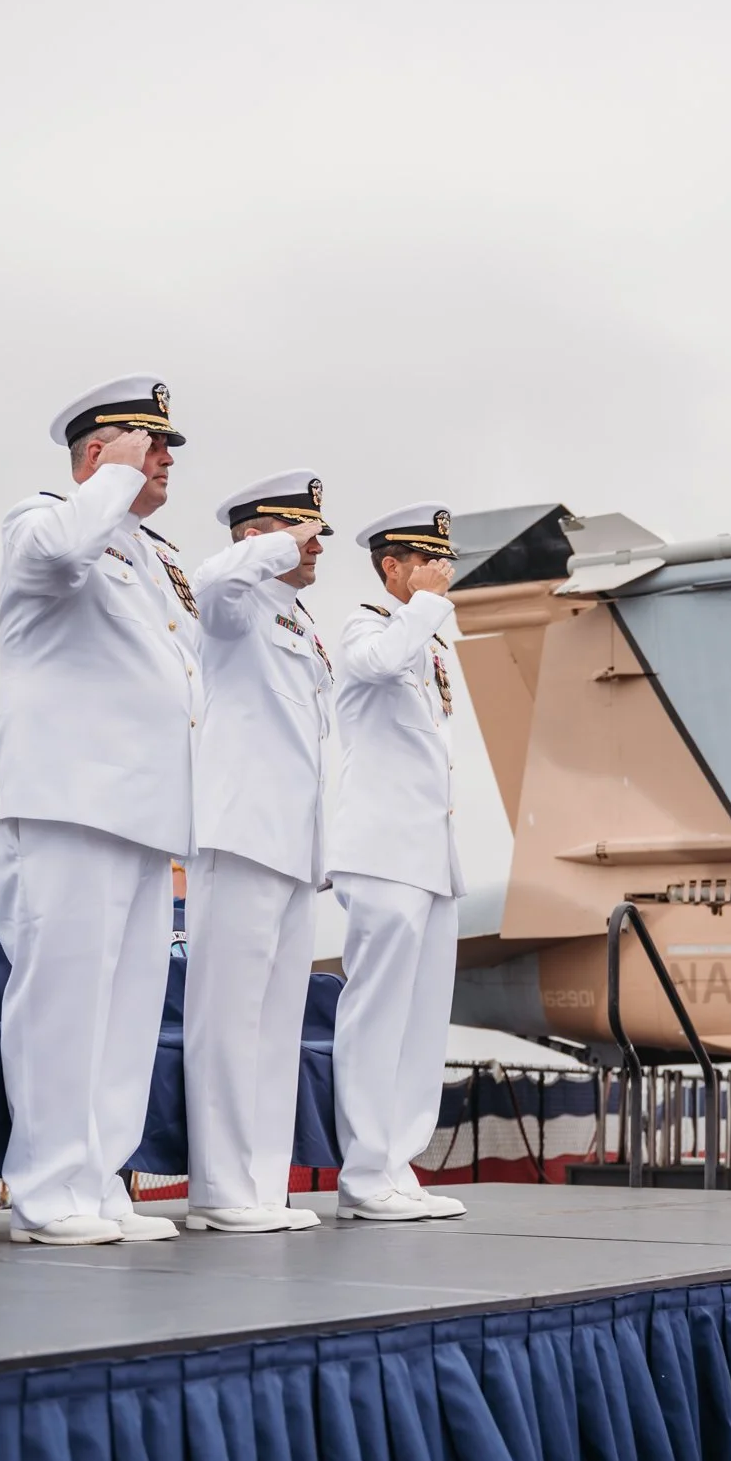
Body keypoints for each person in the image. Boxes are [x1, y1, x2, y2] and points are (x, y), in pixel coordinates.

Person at [0, 374, 199, 1246]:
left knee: (127, 1005)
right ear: (94, 452)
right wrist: (108, 480)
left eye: (166, 448)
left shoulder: (146, 554)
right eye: (147, 445)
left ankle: (99, 1178)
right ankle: (44, 1190)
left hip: (144, 808)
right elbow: (55, 558)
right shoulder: (43, 518)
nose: (162, 461)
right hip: (69, 799)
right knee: (65, 999)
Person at [183, 471, 334, 1232]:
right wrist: (269, 547)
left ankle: (261, 1184)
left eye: (314, 535)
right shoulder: (236, 606)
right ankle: (219, 1189)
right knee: (228, 1017)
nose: (314, 548)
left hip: (292, 843)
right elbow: (209, 581)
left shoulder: (302, 624)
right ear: (256, 536)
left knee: (278, 1026)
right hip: (240, 831)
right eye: (300, 532)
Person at [325, 503, 467, 1223]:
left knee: (418, 1021)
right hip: (381, 851)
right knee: (376, 1015)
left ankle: (395, 1162)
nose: (443, 574)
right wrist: (429, 608)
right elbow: (374, 666)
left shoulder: (429, 641)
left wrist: (430, 614)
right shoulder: (368, 625)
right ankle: (363, 1171)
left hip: (427, 853)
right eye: (429, 562)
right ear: (392, 567)